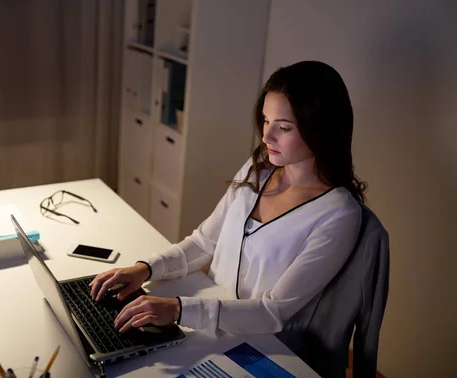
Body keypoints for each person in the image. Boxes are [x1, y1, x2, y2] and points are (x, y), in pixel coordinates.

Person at [90, 60, 367, 338]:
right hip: (208, 320)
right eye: (266, 120)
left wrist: (178, 310)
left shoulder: (339, 215)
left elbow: (273, 312)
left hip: (264, 342)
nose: (266, 135)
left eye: (283, 128)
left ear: (321, 129)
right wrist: (145, 269)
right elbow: (204, 242)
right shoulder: (260, 167)